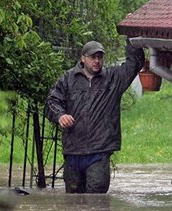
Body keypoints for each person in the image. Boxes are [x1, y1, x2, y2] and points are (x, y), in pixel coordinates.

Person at [45, 39, 145, 193]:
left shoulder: (113, 78)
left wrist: (131, 37)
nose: (97, 61)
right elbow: (52, 101)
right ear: (83, 58)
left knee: (97, 203)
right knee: (72, 204)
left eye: (100, 57)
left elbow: (134, 64)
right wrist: (60, 116)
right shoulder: (68, 78)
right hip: (73, 152)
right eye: (93, 57)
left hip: (99, 153)